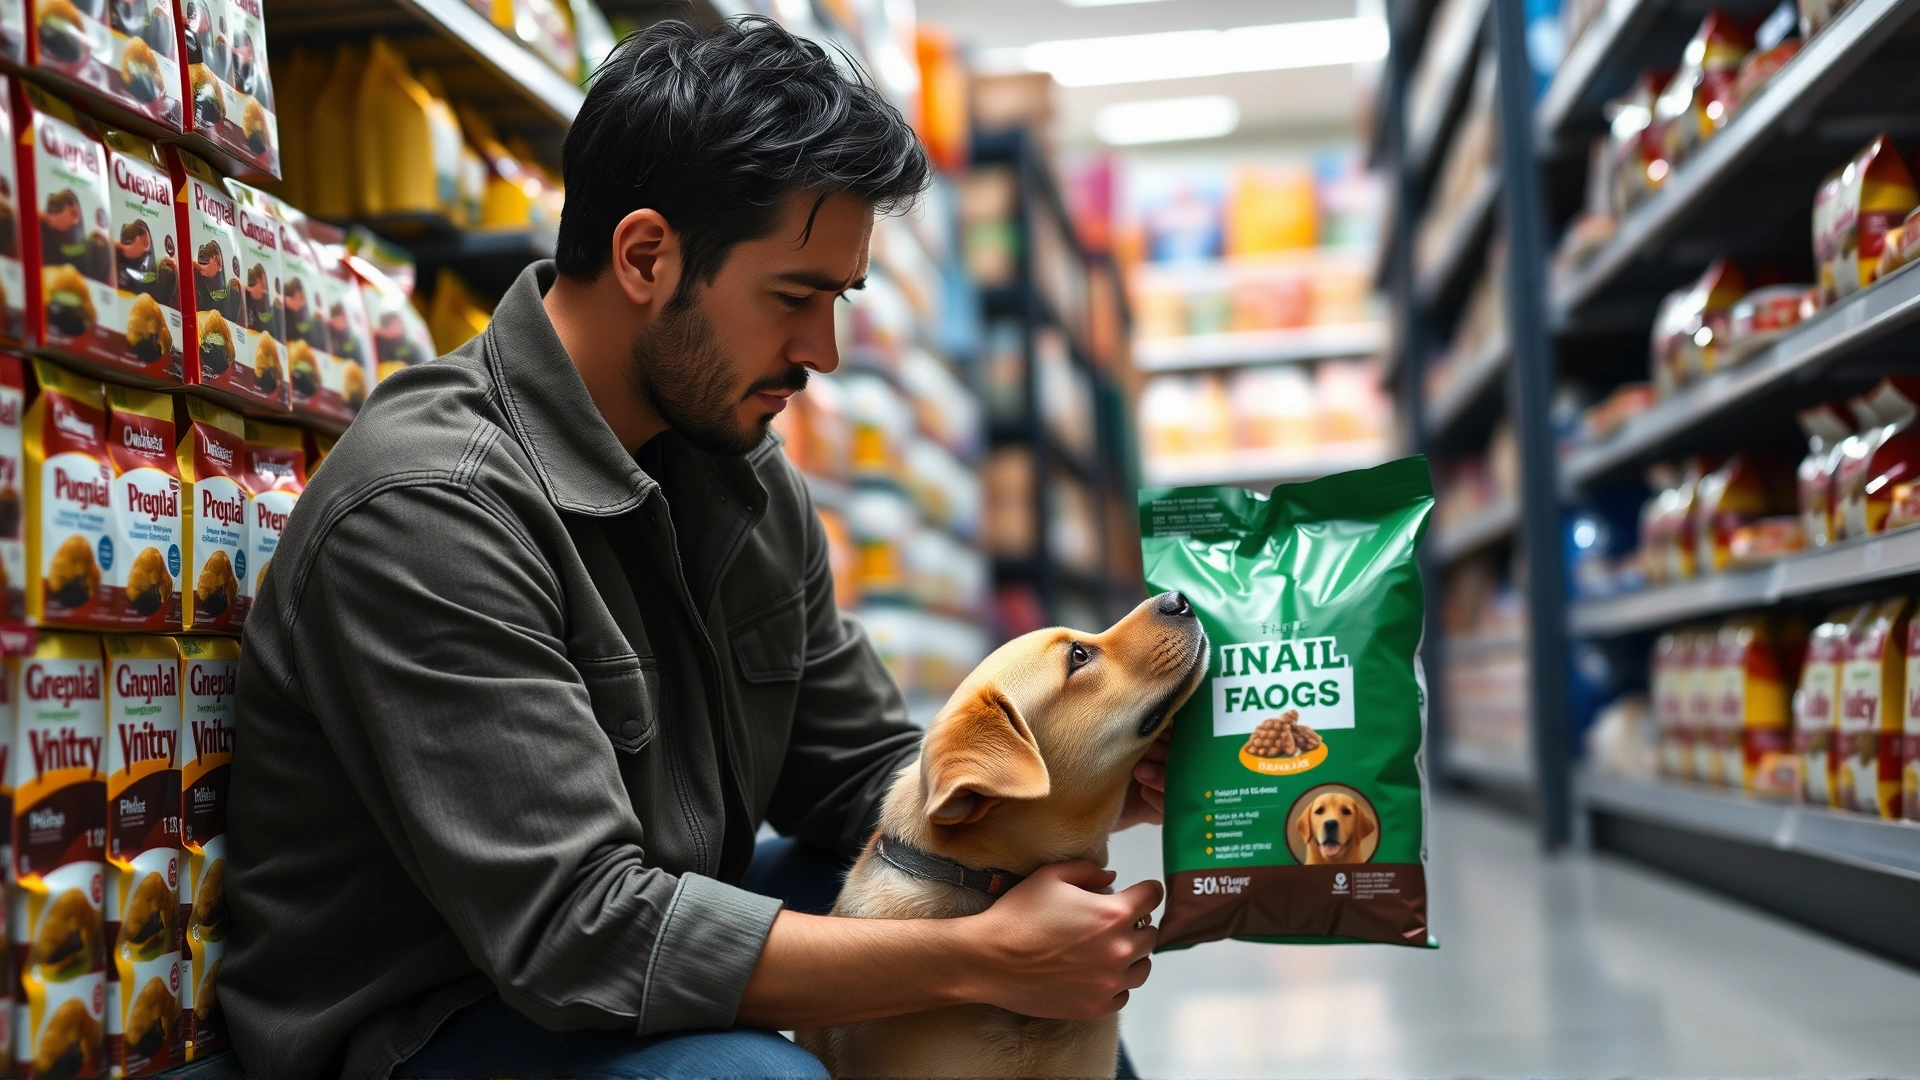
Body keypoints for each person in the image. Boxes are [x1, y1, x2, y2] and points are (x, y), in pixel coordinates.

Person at [225, 16, 1168, 1080]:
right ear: (645, 257)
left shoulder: (741, 477)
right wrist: (972, 959)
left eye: (840, 299)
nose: (823, 352)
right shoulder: (430, 511)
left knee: (1032, 975)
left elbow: (861, 775)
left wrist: (1060, 781)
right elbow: (578, 930)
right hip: (429, 1021)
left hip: (618, 940)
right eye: (793, 298)